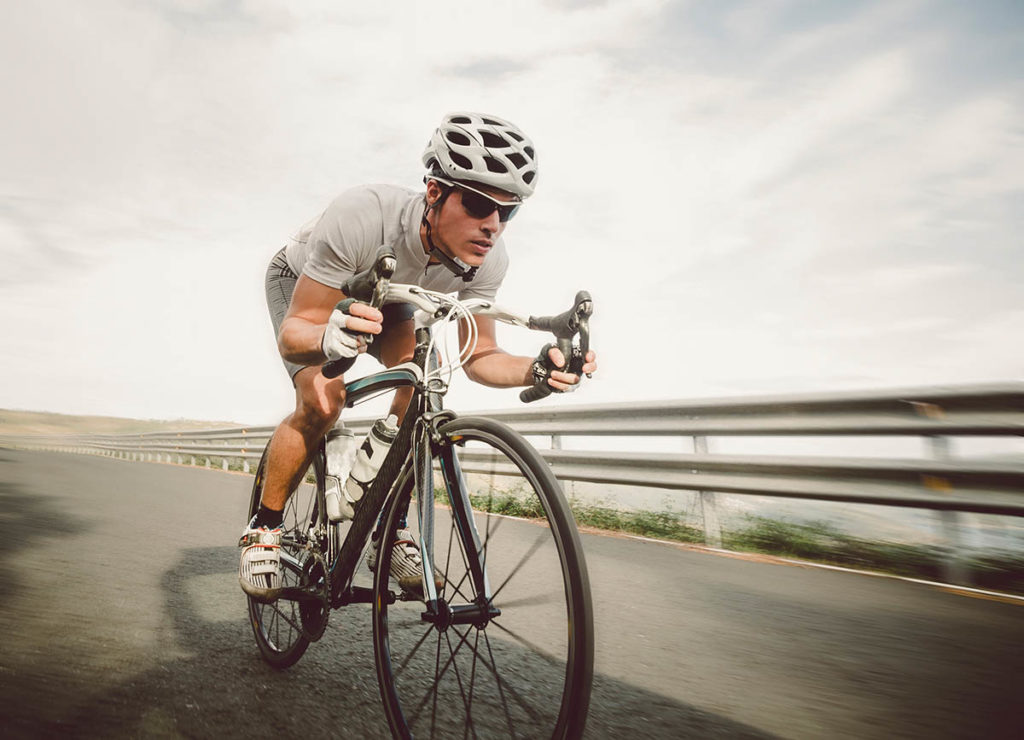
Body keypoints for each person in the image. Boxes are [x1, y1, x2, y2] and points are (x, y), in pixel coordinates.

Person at [239, 112, 598, 600]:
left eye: (507, 212)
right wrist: (327, 340)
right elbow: (294, 333)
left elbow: (480, 354)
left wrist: (536, 368)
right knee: (324, 402)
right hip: (311, 281)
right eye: (477, 204)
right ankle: (265, 526)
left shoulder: (487, 259)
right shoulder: (363, 215)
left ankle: (390, 525)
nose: (492, 226)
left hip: (393, 295)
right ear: (434, 192)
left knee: (422, 391)